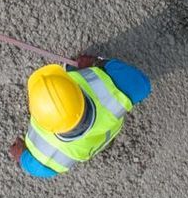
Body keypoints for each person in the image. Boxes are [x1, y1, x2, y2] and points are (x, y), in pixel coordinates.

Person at [14, 54, 151, 178]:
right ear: (76, 89)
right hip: (108, 118)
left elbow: (39, 169)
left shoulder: (51, 155)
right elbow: (141, 83)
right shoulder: (111, 94)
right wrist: (96, 65)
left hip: (93, 143)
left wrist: (22, 157)